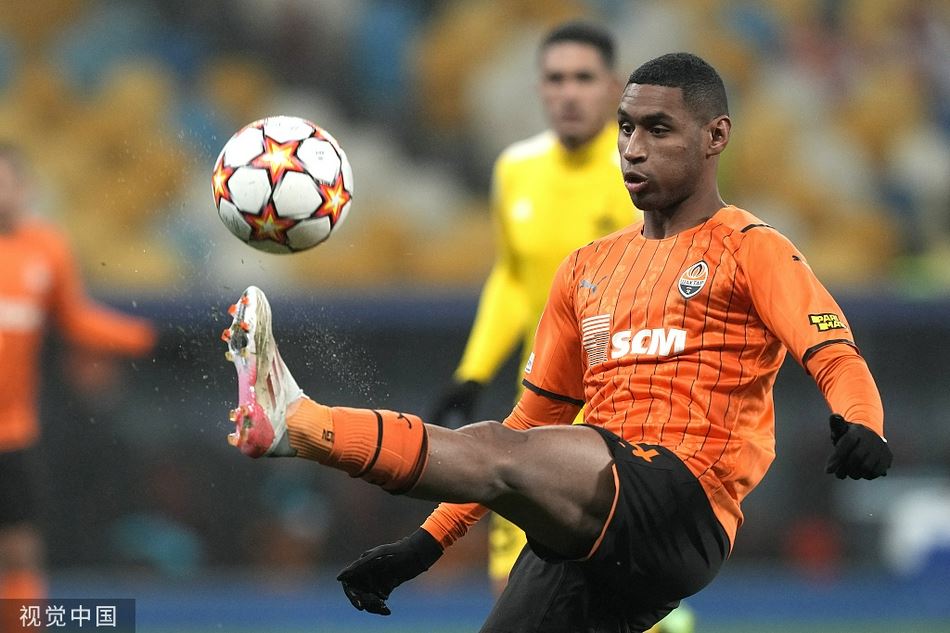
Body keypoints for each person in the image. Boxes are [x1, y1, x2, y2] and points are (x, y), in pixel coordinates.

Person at [221, 53, 892, 632]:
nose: (633, 148)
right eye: (626, 128)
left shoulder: (752, 248)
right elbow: (528, 428)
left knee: (498, 449)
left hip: (684, 501)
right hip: (591, 517)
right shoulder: (585, 269)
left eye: (658, 129)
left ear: (715, 136)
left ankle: (299, 424)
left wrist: (863, 421)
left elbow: (833, 353)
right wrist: (424, 546)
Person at [0, 143, 156, 598]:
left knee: (20, 549)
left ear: (25, 187)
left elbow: (75, 319)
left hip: (12, 431)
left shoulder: (47, 248)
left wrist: (147, 338)